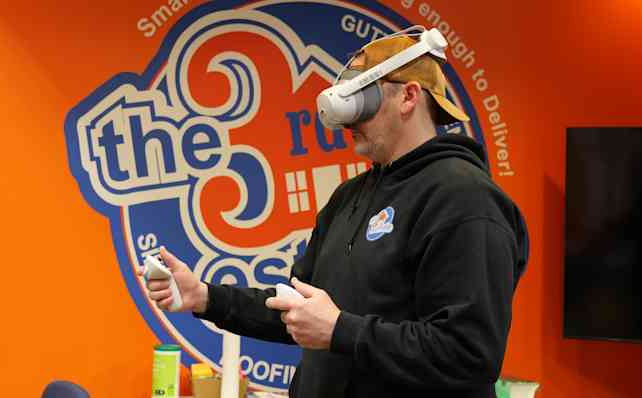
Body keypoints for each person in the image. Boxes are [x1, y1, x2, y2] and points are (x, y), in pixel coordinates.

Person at [142, 28, 529, 398]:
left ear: (409, 97)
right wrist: (204, 297)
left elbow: (468, 352)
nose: (347, 120)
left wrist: (341, 330)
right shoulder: (350, 197)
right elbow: (295, 308)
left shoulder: (465, 199)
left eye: (364, 100)